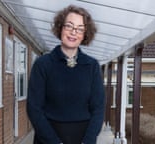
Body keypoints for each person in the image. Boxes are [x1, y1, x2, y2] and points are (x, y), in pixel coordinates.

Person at [27, 5, 105, 144]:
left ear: (85, 34)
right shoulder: (43, 64)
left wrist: (87, 141)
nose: (73, 32)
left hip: (83, 139)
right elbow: (34, 108)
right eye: (69, 26)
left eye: (80, 28)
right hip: (47, 138)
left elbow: (98, 109)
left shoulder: (92, 66)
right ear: (60, 27)